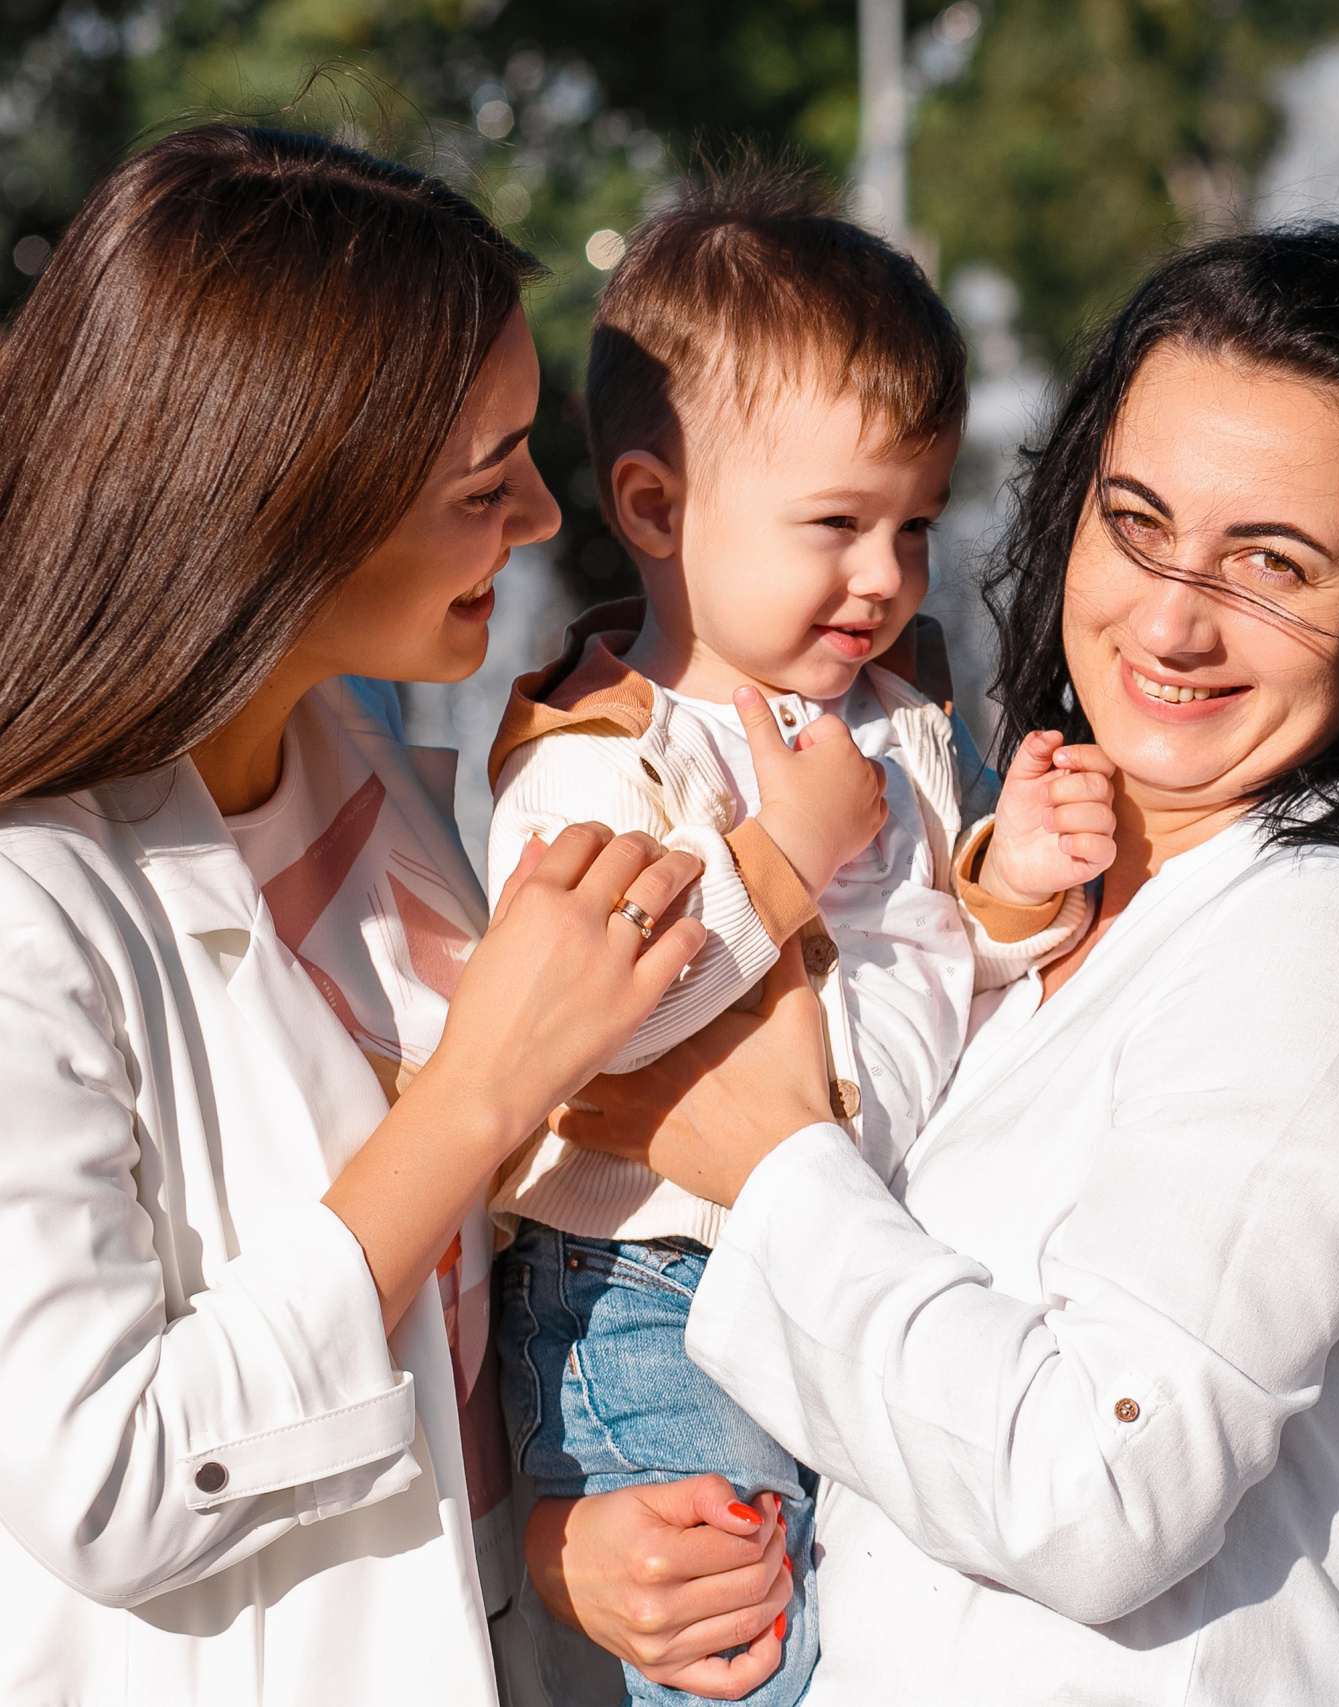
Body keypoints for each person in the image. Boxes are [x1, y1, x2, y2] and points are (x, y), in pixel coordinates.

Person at [524, 225, 1339, 1705]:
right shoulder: (1028, 891)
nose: (1169, 618)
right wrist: (579, 1544)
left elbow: (1093, 1494)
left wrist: (774, 1163)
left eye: (1271, 565)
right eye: (1136, 522)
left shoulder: (1329, 949)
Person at [0, 125, 716, 1704]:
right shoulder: (28, 909)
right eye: (486, 482)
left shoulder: (358, 763)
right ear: (280, 506)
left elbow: (437, 1346)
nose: (539, 519)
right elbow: (109, 1484)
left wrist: (551, 1540)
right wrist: (478, 1097)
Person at [482, 168, 1082, 1707]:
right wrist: (783, 855)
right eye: (837, 525)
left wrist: (1014, 885)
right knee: (735, 1651)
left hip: (853, 1250)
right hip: (655, 1289)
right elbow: (588, 1026)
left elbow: (944, 958)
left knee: (865, 1640)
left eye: (913, 525)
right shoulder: (600, 750)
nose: (884, 577)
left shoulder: (899, 717)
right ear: (657, 507)